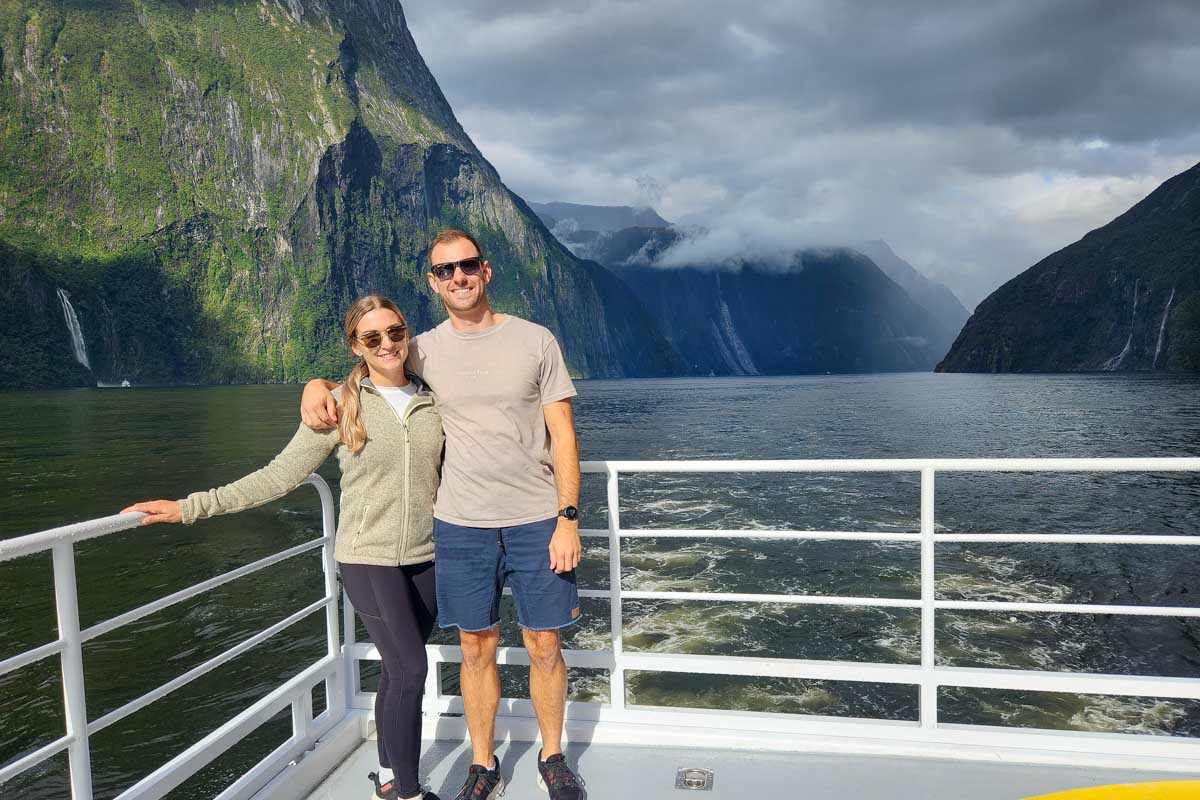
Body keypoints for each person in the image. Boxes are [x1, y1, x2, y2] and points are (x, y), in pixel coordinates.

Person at [300, 229, 585, 800]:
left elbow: (563, 433)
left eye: (468, 265)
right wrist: (313, 387)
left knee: (545, 645)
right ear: (433, 282)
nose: (459, 277)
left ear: (487, 270)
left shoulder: (536, 341)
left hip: (535, 518)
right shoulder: (420, 345)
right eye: (445, 270)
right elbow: (370, 366)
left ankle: (552, 758)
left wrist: (568, 517)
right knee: (475, 648)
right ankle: (484, 766)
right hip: (459, 524)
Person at [123, 296, 444, 800]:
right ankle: (406, 791)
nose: (387, 344)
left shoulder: (431, 398)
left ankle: (385, 771)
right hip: (366, 558)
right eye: (372, 337)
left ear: (407, 334)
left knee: (395, 668)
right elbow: (278, 475)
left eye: (395, 332)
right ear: (355, 346)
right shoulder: (340, 404)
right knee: (412, 669)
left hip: (424, 557)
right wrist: (190, 507)